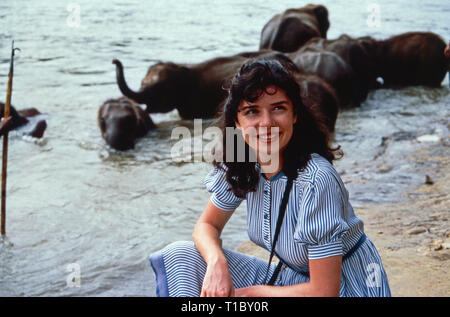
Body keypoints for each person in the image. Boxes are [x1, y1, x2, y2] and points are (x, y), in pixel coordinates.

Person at [149, 57, 391, 297]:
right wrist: (216, 263)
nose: (266, 123)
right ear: (237, 121)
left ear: (294, 114)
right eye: (252, 111)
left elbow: (324, 291)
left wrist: (251, 294)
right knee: (181, 256)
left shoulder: (317, 180)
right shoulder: (242, 160)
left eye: (278, 108)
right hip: (294, 278)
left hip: (347, 288)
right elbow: (206, 226)